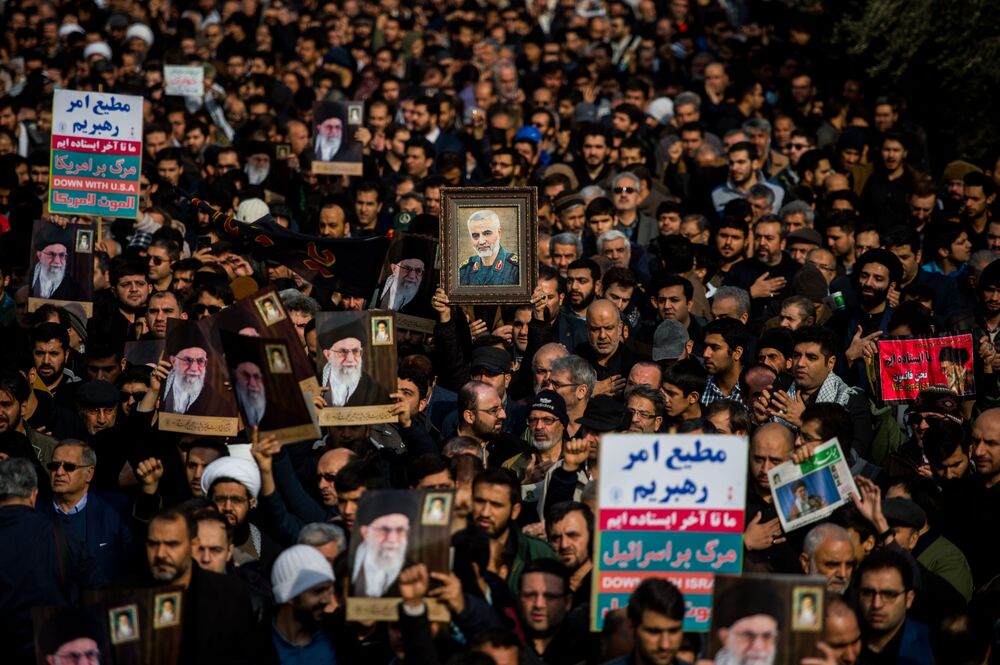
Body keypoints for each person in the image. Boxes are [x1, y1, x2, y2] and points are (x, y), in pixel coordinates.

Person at [351, 491, 415, 597]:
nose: (392, 539)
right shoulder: (347, 566)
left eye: (400, 530)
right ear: (365, 532)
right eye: (384, 530)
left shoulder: (415, 571)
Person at [320, 316, 390, 407]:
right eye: (342, 351)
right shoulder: (314, 383)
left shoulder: (377, 392)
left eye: (355, 351)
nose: (350, 359)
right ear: (328, 354)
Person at [459, 209, 520, 286]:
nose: (481, 241)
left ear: (499, 233)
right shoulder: (464, 270)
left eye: (487, 233)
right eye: (475, 236)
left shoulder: (516, 268)